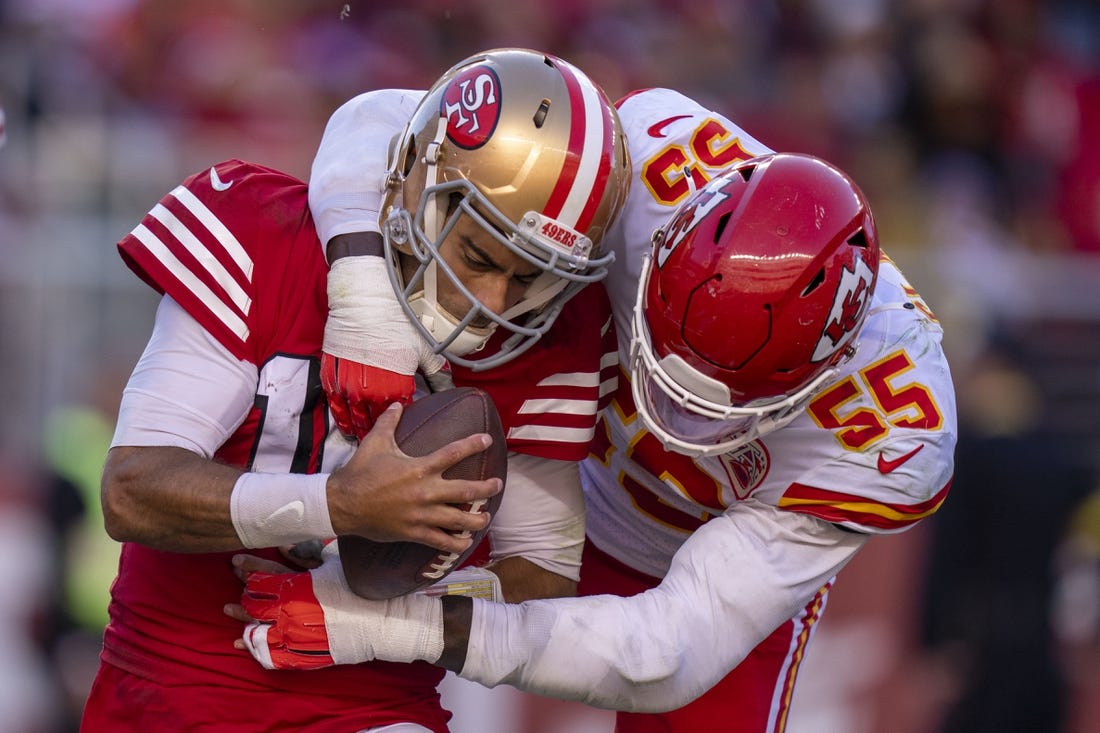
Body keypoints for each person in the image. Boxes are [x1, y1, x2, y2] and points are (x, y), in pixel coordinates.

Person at [228, 87, 957, 732]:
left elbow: (667, 649)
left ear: (819, 377)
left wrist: (407, 626)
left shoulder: (894, 435)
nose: (667, 397)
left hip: (703, 559)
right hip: (539, 470)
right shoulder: (651, 161)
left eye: (710, 391)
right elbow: (392, 121)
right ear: (667, 241)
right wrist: (367, 305)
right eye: (659, 345)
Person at [81, 48, 630, 732]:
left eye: (531, 279)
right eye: (480, 257)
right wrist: (336, 505)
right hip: (174, 685)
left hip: (374, 703)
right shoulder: (267, 237)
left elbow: (542, 574)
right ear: (412, 191)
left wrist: (379, 616)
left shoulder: (552, 337)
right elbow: (132, 490)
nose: (492, 302)